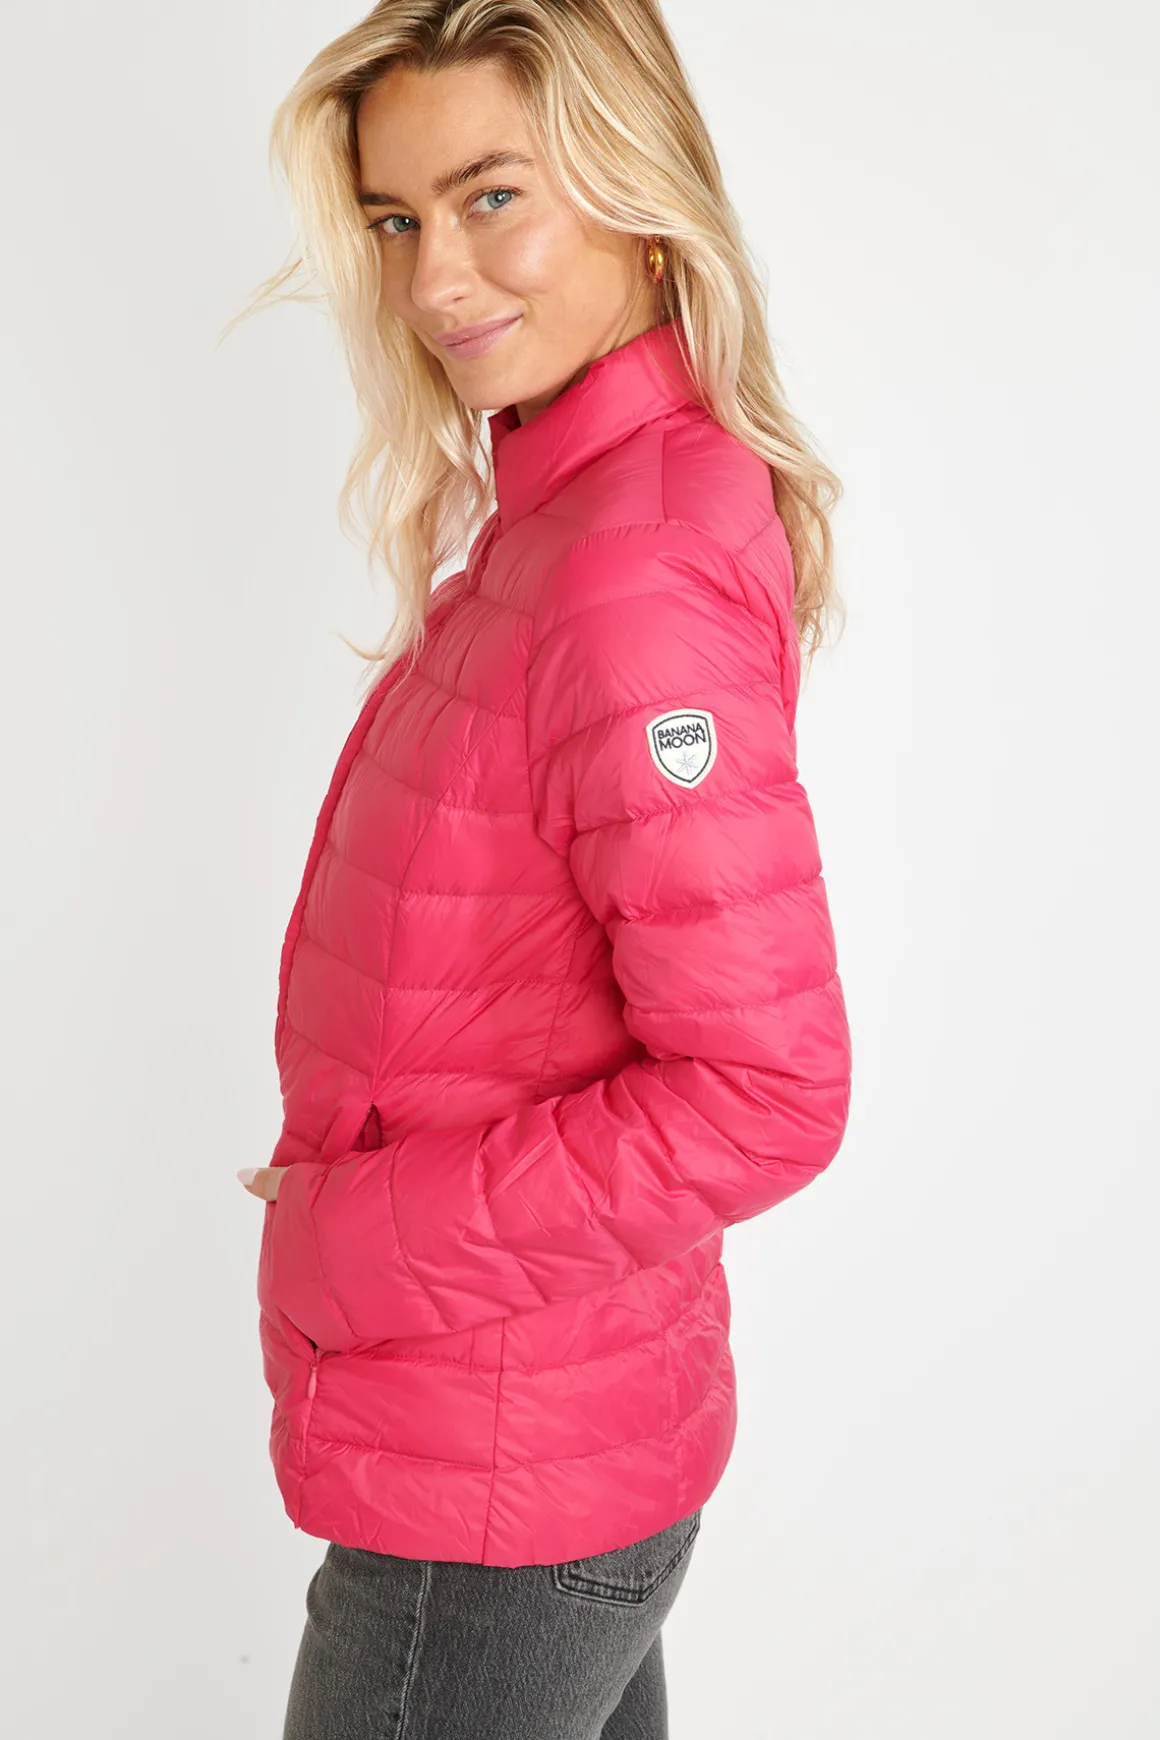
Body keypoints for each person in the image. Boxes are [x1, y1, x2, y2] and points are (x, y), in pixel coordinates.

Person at [232, 2, 853, 1734]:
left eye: (492, 195)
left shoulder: (620, 572)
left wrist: (359, 1235)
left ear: (638, 194)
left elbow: (765, 1091)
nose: (436, 280)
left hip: (496, 1486)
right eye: (397, 218)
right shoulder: (571, 519)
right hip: (544, 1442)